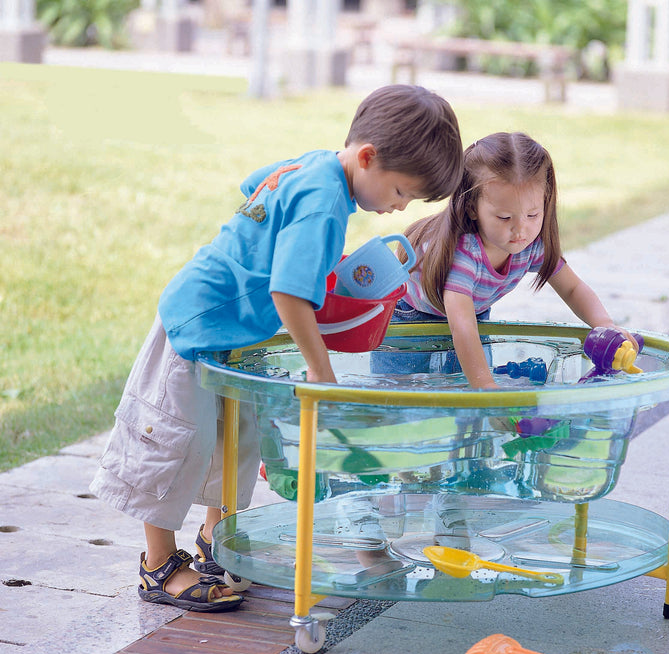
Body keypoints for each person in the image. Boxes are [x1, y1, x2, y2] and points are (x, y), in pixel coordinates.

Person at [89, 85, 464, 612]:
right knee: (179, 448)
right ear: (368, 158)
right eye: (402, 191)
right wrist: (319, 367)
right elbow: (288, 291)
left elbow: (254, 186)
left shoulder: (315, 167)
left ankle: (218, 545)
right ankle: (158, 566)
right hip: (194, 329)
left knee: (236, 442)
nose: (400, 206)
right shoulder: (327, 204)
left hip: (232, 334)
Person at [374, 131, 636, 388]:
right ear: (471, 208)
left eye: (533, 215)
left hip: (472, 314)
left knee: (464, 390)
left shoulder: (532, 246)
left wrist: (605, 324)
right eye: (504, 218)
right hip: (410, 316)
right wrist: (486, 386)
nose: (520, 230)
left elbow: (572, 288)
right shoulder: (464, 254)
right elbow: (462, 328)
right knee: (397, 391)